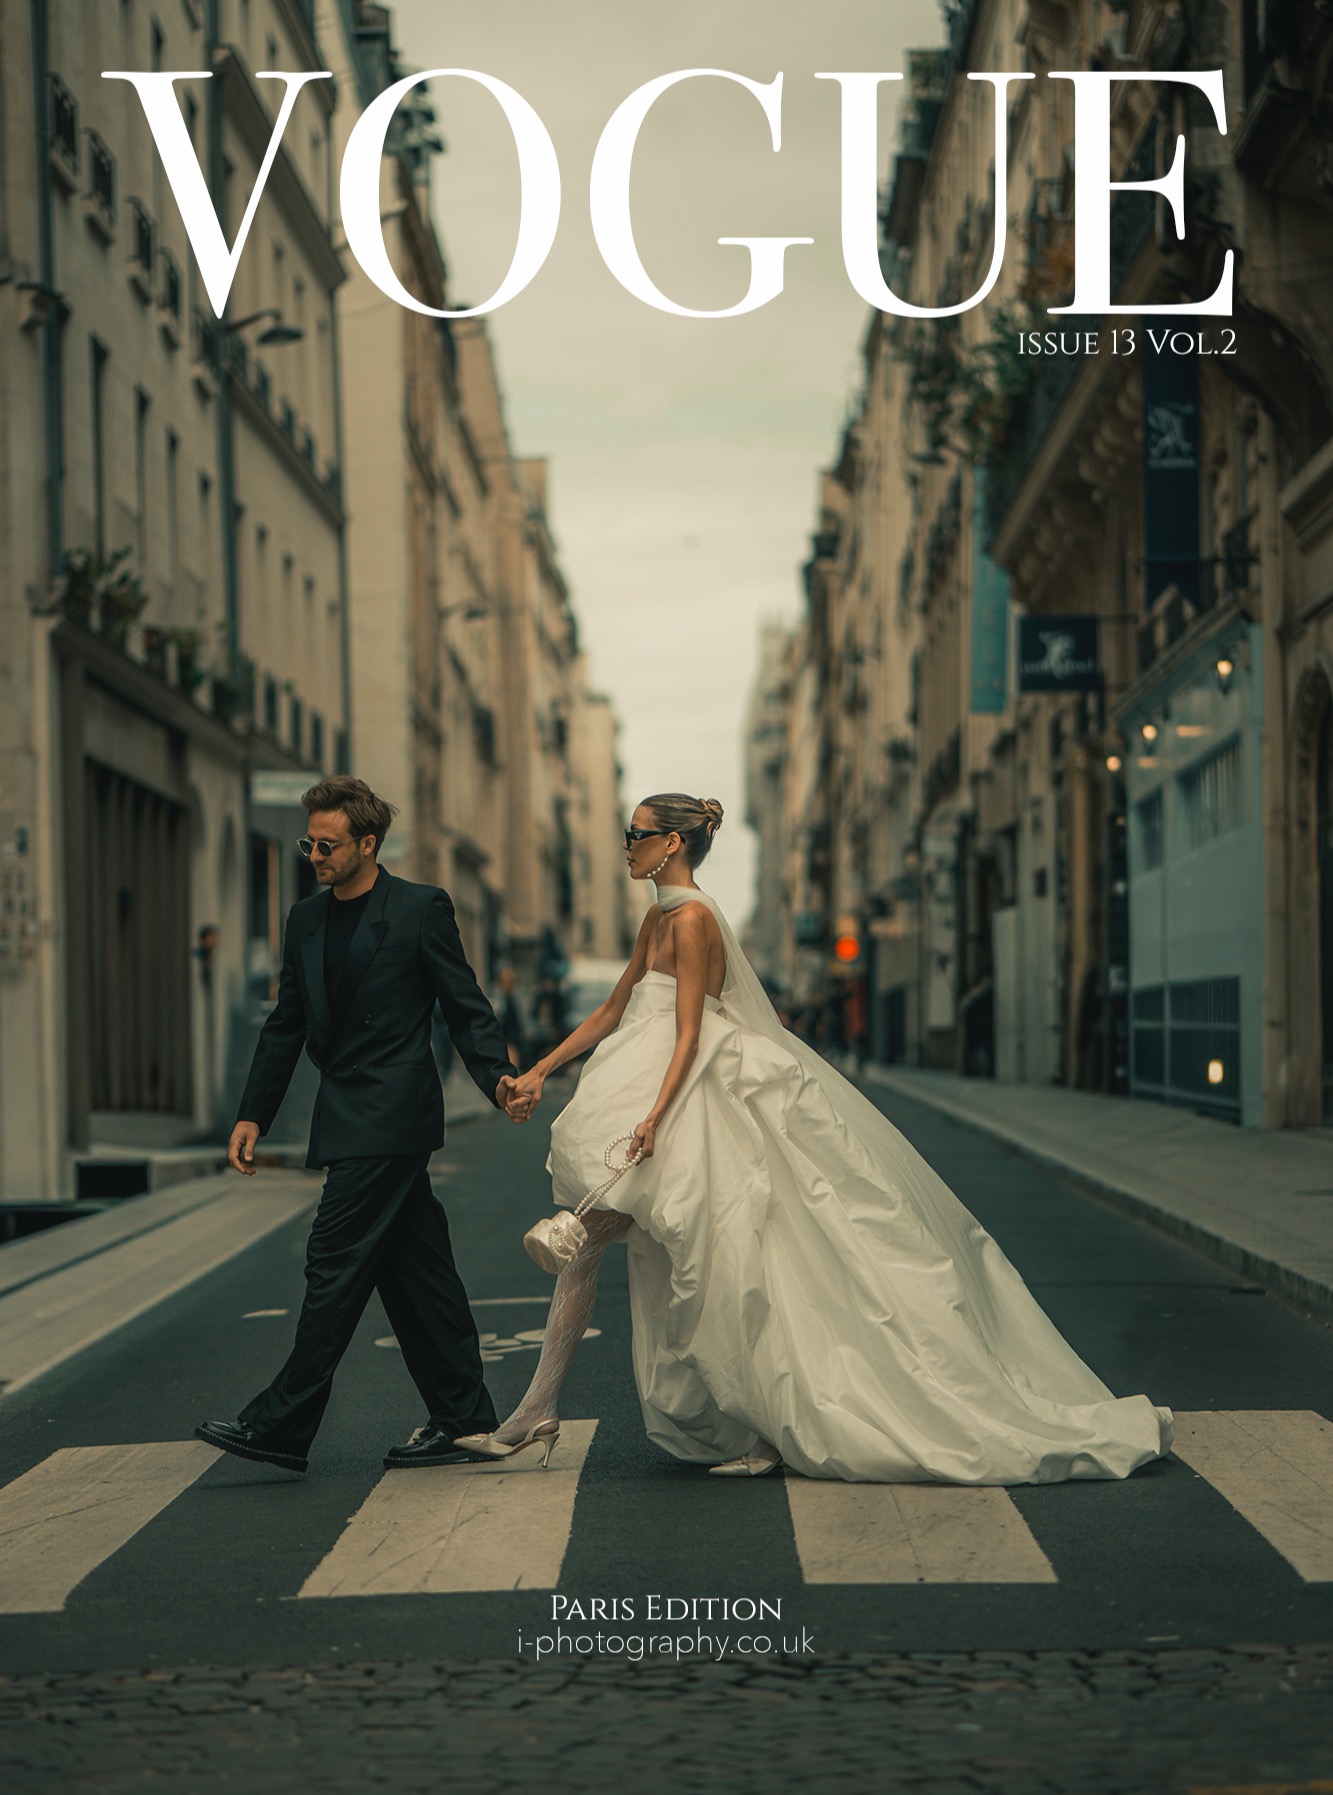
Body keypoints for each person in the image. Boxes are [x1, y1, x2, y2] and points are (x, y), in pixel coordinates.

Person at [465, 792, 1173, 1483]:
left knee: (722, 1263)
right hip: (657, 1094)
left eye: (636, 830)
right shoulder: (659, 919)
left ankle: (716, 1420)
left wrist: (653, 1116)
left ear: (671, 842)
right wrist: (538, 1070)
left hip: (689, 1103)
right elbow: (614, 1010)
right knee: (614, 1248)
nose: (626, 842)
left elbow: (691, 1030)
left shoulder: (694, 920)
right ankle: (543, 1407)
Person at [194, 776, 526, 1476]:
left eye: (328, 843)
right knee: (417, 1276)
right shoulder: (305, 920)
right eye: (308, 841)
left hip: (391, 1114)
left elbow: (463, 1005)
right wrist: (253, 1110)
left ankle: (283, 1421)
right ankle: (464, 1417)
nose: (314, 853)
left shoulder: (417, 909)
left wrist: (496, 1076)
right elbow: (284, 1025)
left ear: (367, 844)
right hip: (346, 1111)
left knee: (332, 1263)